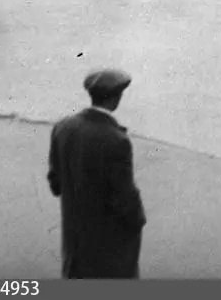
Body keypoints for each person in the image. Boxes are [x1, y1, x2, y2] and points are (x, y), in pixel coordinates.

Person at [47, 69, 146, 279]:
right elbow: (125, 198)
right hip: (106, 244)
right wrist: (138, 219)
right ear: (117, 98)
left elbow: (55, 184)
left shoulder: (62, 127)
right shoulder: (116, 140)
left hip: (74, 237)